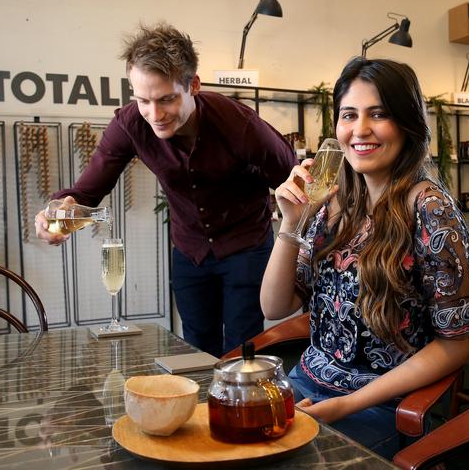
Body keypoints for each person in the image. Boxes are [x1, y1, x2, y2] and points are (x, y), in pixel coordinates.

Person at [261, 57, 469, 459]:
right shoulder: (331, 206)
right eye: (349, 115)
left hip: (380, 405)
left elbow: (458, 343)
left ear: (407, 123)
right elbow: (276, 306)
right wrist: (290, 222)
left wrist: (347, 404)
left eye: (378, 114)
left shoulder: (431, 209)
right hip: (304, 384)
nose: (360, 130)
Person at [35, 23, 297, 357]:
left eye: (167, 99)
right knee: (197, 347)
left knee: (240, 350)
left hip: (246, 246)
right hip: (189, 251)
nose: (154, 115)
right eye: (143, 100)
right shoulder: (130, 124)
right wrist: (58, 211)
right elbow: (86, 192)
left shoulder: (239, 124)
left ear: (194, 86)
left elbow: (295, 177)